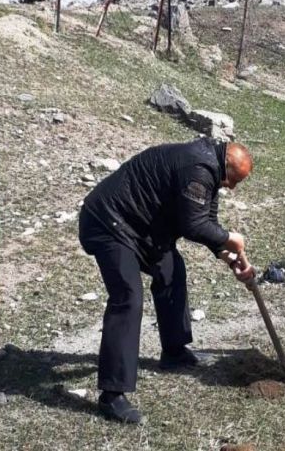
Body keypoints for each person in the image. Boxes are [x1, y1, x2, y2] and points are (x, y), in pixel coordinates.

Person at [78, 137, 255, 424]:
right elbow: (193, 225)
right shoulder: (199, 168)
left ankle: (174, 351)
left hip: (139, 227)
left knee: (172, 271)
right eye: (233, 180)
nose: (232, 187)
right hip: (108, 222)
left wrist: (225, 254)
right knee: (128, 298)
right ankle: (112, 395)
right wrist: (229, 238)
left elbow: (204, 218)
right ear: (226, 165)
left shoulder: (210, 167)